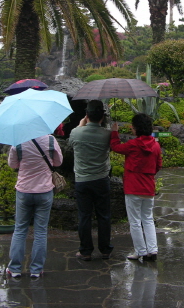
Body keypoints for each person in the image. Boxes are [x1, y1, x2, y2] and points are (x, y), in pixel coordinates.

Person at [6, 133, 63, 279]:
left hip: (24, 190)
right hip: (44, 191)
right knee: (41, 231)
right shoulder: (50, 139)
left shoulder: (18, 141)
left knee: (20, 229)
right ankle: (36, 270)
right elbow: (58, 162)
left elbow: (12, 164)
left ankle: (15, 268)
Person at [110, 114, 162, 261]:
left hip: (133, 187)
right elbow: (158, 165)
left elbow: (115, 147)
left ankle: (141, 251)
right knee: (148, 219)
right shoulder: (156, 145)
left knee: (135, 221)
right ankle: (153, 250)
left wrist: (115, 131)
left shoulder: (133, 144)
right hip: (148, 188)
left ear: (137, 128)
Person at [68, 100, 114, 261]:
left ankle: (85, 250)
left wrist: (81, 125)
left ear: (86, 115)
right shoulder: (107, 134)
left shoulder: (76, 132)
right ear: (102, 117)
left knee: (84, 216)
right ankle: (105, 249)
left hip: (82, 180)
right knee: (104, 215)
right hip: (101, 179)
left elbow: (70, 145)